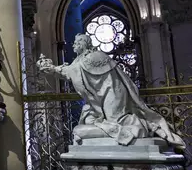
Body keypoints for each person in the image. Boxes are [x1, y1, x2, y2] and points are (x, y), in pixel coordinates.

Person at [38, 33, 185, 147]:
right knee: (86, 124)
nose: (74, 45)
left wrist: (53, 69)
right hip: (98, 101)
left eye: (78, 42)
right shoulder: (79, 60)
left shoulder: (95, 56)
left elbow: (73, 71)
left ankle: (149, 126)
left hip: (113, 92)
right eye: (74, 43)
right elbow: (71, 71)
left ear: (85, 44)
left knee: (118, 120)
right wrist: (52, 69)